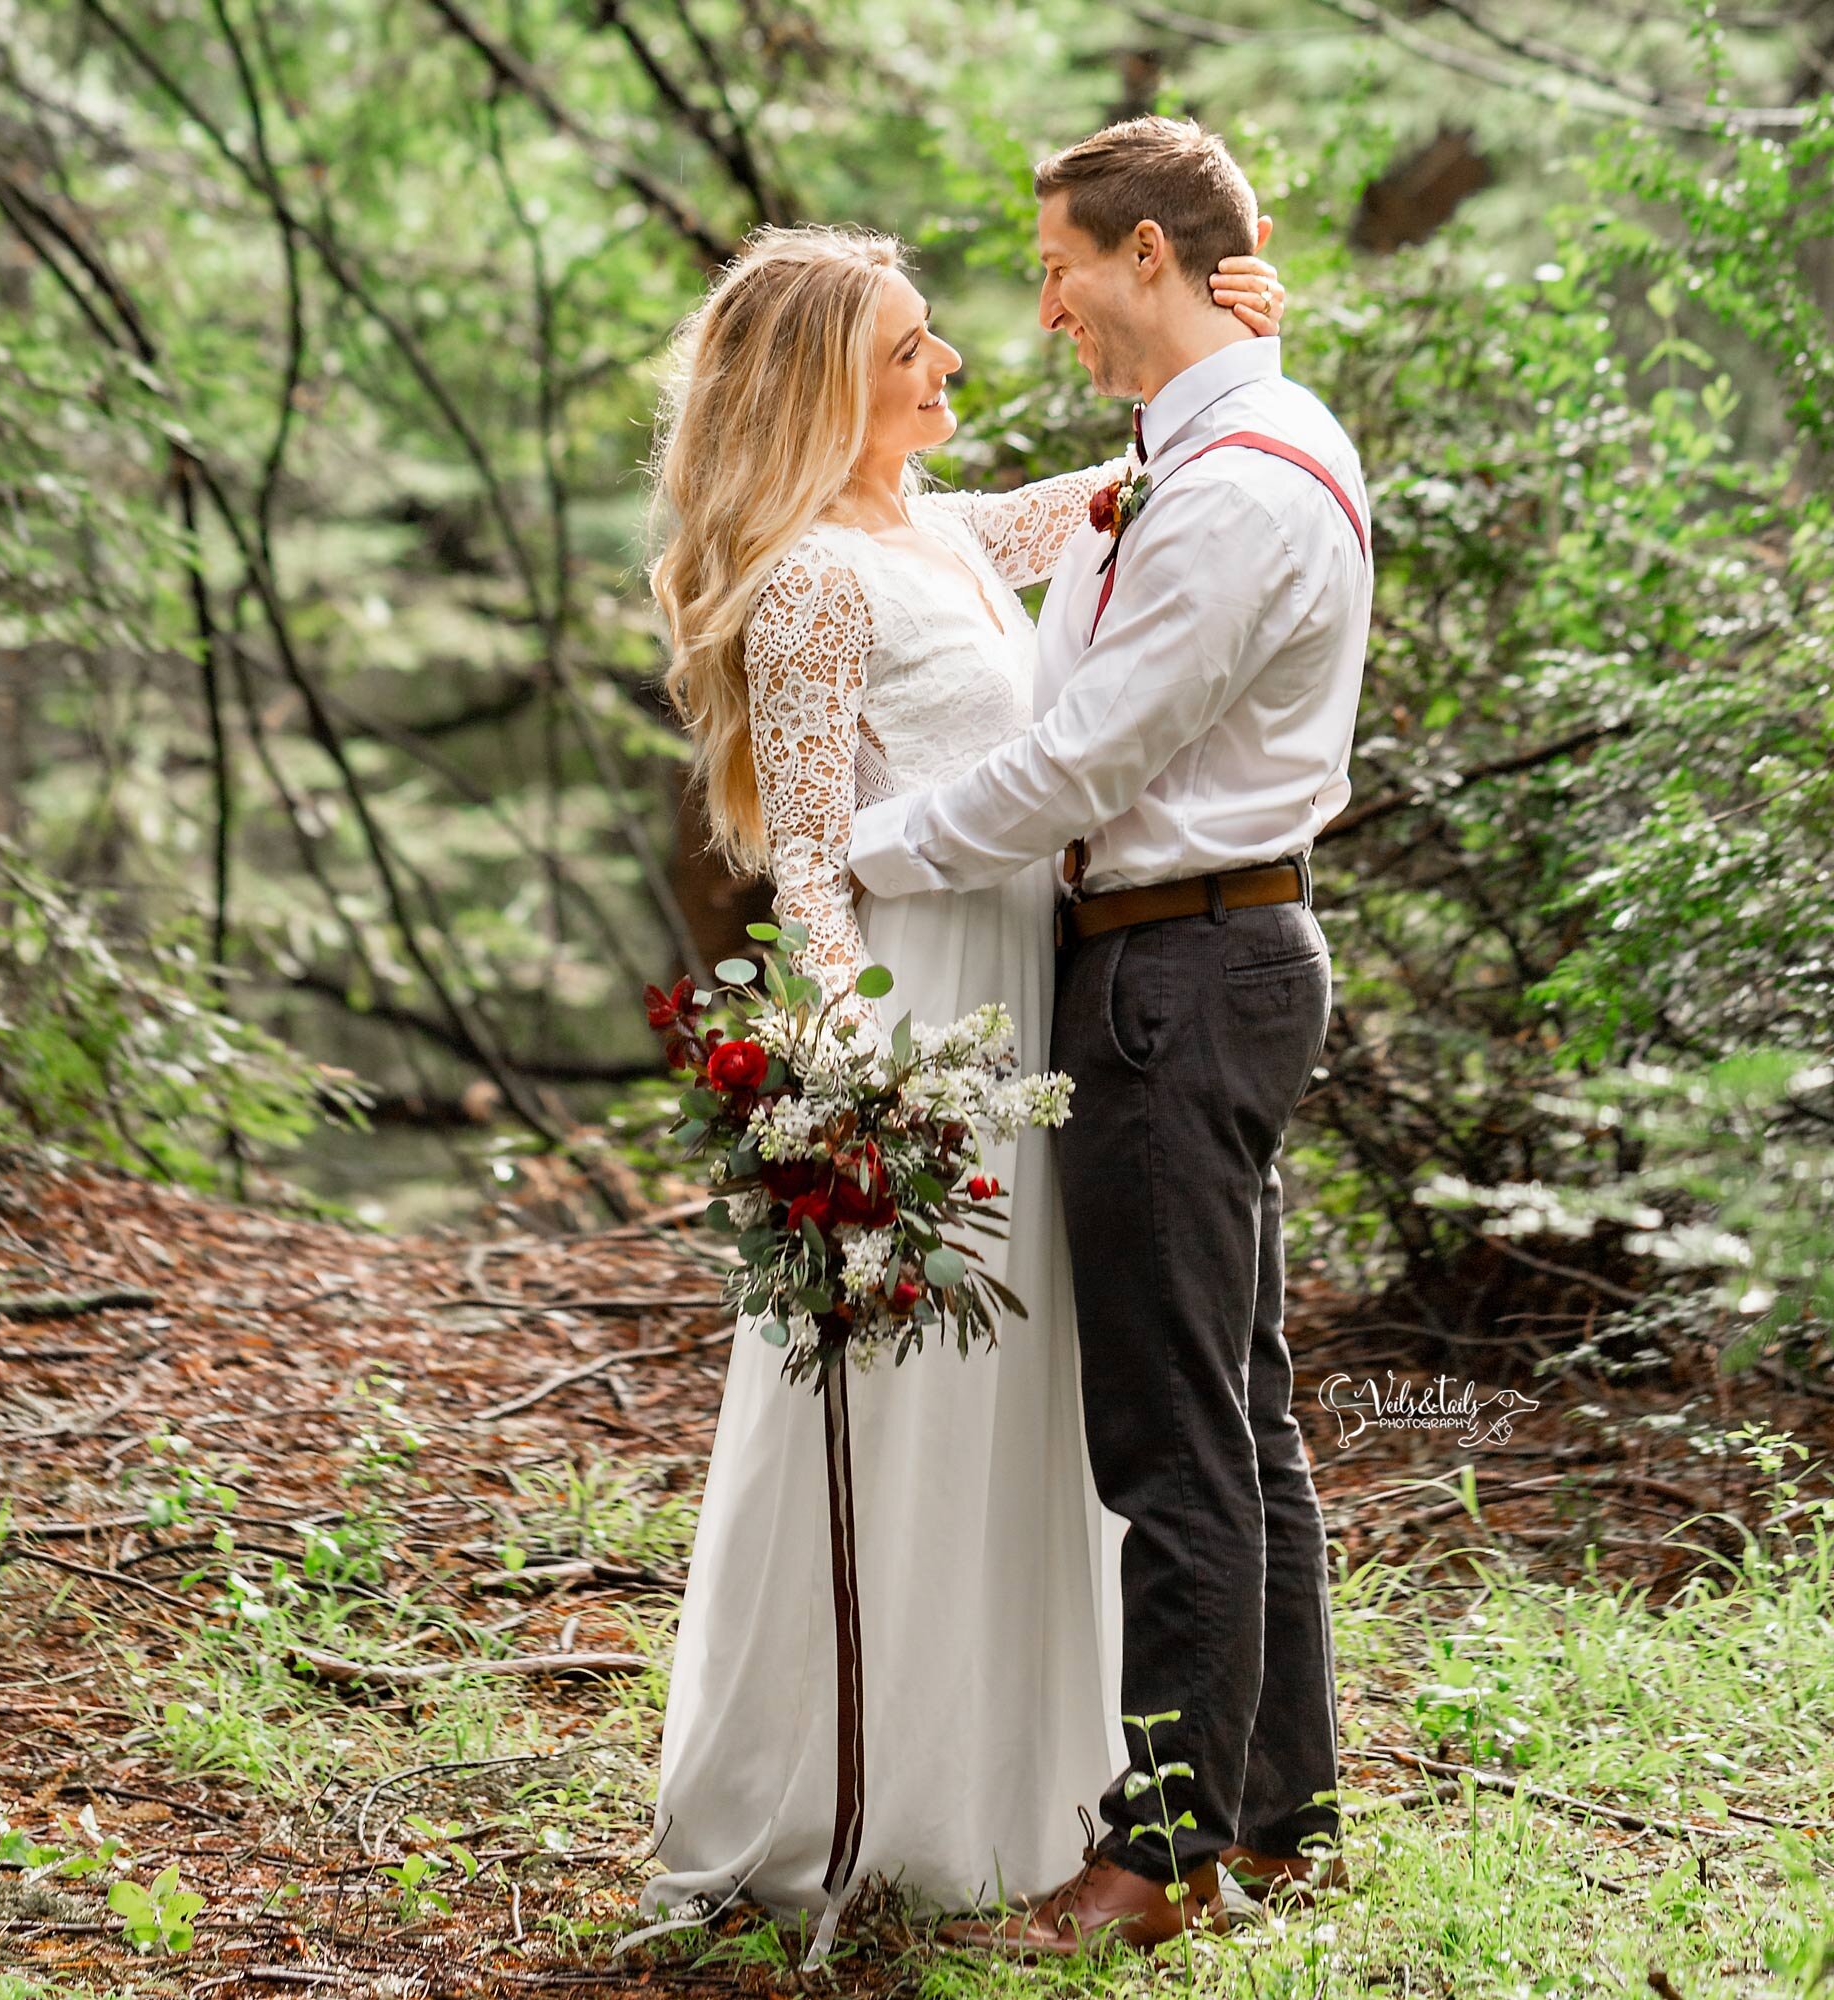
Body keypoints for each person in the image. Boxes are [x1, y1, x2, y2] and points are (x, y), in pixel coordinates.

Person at [634, 205, 1287, 1939]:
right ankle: (865, 1798)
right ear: (827, 383)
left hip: (1031, 990)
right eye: (912, 345)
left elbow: (1124, 490)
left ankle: (1018, 1790)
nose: (951, 364)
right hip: (929, 1022)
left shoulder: (927, 528)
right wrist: (857, 1074)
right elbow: (815, 870)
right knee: (917, 1403)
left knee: (1030, 1407)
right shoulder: (809, 588)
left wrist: (1238, 345)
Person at [848, 115, 1371, 1954]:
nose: (1042, 301)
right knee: (1243, 1413)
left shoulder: (1236, 486)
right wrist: (1252, 343)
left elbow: (1085, 759)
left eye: (1061, 262)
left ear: (1145, 257)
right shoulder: (1209, 440)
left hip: (1179, 976)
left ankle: (1153, 1861)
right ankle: (1276, 1817)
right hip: (1190, 961)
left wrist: (874, 849)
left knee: (1173, 1441)